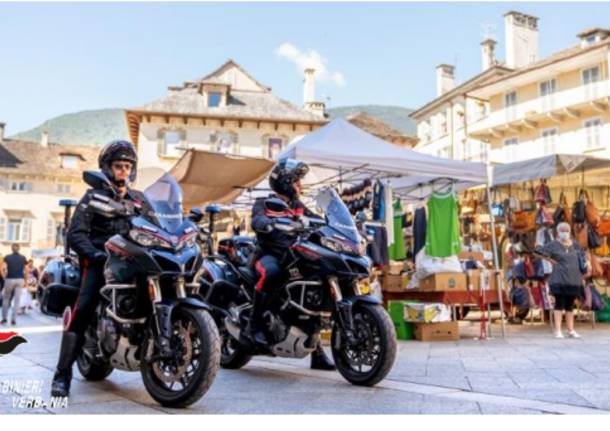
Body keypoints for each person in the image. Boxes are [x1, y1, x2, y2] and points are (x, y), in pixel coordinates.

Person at [51, 140, 152, 398]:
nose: (123, 171)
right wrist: (94, 255)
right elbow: (76, 234)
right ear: (108, 168)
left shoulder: (140, 200)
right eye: (118, 166)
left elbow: (157, 225)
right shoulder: (93, 197)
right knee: (82, 309)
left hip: (134, 261)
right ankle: (62, 375)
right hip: (101, 260)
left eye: (127, 166)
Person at [249, 158, 335, 371]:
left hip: (294, 256)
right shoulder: (264, 203)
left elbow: (318, 220)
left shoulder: (298, 206)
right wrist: (266, 224)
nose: (300, 186)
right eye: (297, 182)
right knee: (271, 274)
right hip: (269, 255)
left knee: (314, 292)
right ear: (286, 182)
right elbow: (256, 220)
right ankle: (255, 326)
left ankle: (316, 353)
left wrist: (334, 224)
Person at [535, 222, 587, 339]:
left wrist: (584, 273)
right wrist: (549, 259)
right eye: (562, 230)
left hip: (573, 279)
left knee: (570, 305)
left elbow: (582, 257)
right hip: (559, 279)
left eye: (567, 230)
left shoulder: (575, 245)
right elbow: (537, 251)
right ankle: (558, 331)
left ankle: (571, 330)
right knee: (559, 304)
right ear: (558, 233)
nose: (565, 232)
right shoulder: (553, 245)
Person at [1, 244, 27, 325]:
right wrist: (25, 280)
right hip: (20, 279)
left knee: (6, 299)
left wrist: (4, 277)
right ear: (19, 249)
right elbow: (26, 270)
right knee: (17, 300)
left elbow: (2, 268)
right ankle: (13, 320)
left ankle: (4, 319)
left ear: (11, 249)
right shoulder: (23, 258)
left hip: (9, 278)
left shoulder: (7, 257)